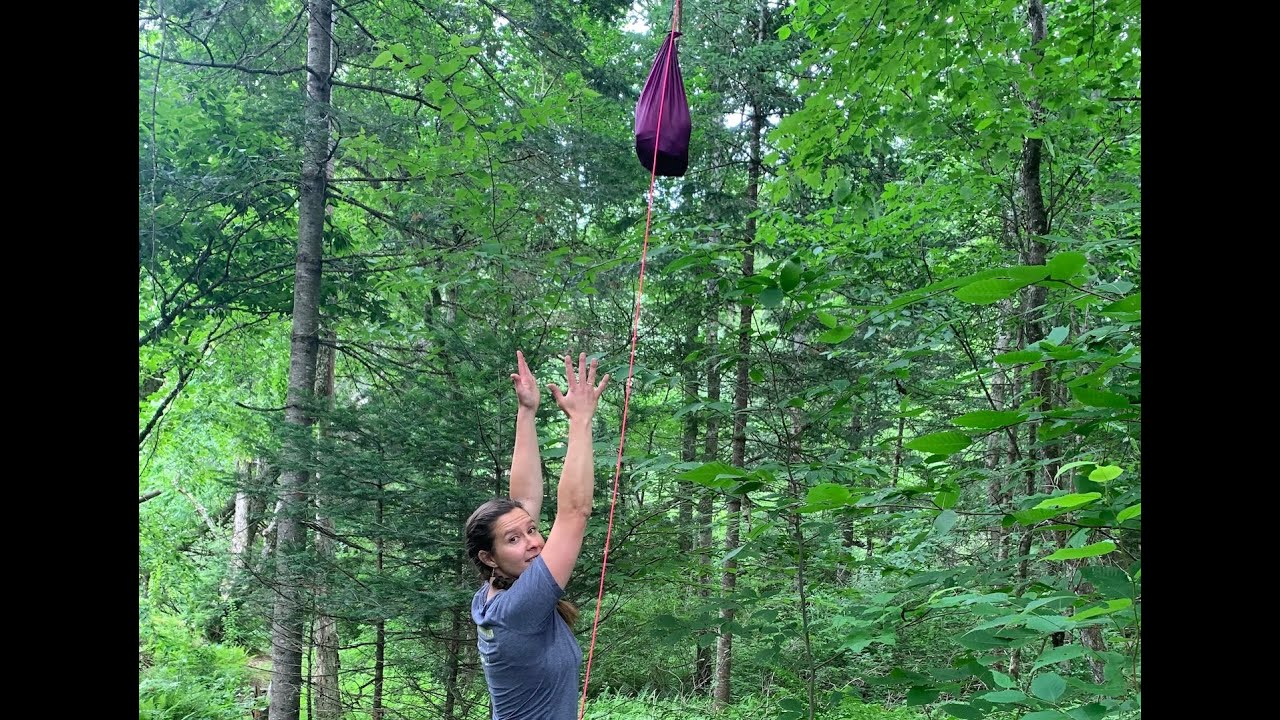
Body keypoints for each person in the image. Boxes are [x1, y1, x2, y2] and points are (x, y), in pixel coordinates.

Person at [465, 350, 610, 719]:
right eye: (513, 540)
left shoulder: (491, 597)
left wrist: (526, 411)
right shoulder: (518, 609)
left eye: (532, 531)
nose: (533, 541)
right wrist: (580, 420)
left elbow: (524, 500)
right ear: (488, 557)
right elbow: (575, 513)